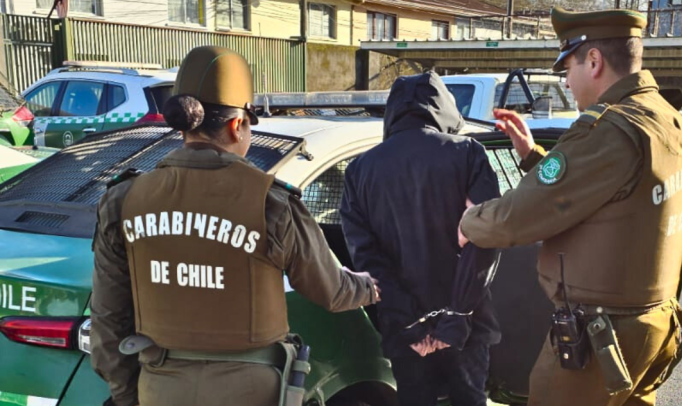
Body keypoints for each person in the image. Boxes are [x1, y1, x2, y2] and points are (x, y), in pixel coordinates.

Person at [90, 46, 380, 406]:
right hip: (253, 392)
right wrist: (368, 287)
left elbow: (108, 319)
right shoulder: (271, 203)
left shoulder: (123, 201)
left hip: (160, 389)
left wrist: (127, 395)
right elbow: (333, 292)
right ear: (237, 124)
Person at [458, 7, 682, 406]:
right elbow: (614, 192)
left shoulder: (610, 129)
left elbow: (518, 218)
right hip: (653, 326)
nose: (566, 82)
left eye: (567, 68)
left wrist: (468, 223)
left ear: (594, 60)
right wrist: (533, 155)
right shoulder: (665, 119)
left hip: (600, 340)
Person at [340, 71, 501, 406]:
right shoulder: (468, 153)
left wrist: (410, 324)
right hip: (467, 329)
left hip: (404, 332)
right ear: (444, 107)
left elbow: (367, 259)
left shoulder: (360, 169)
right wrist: (456, 317)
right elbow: (485, 240)